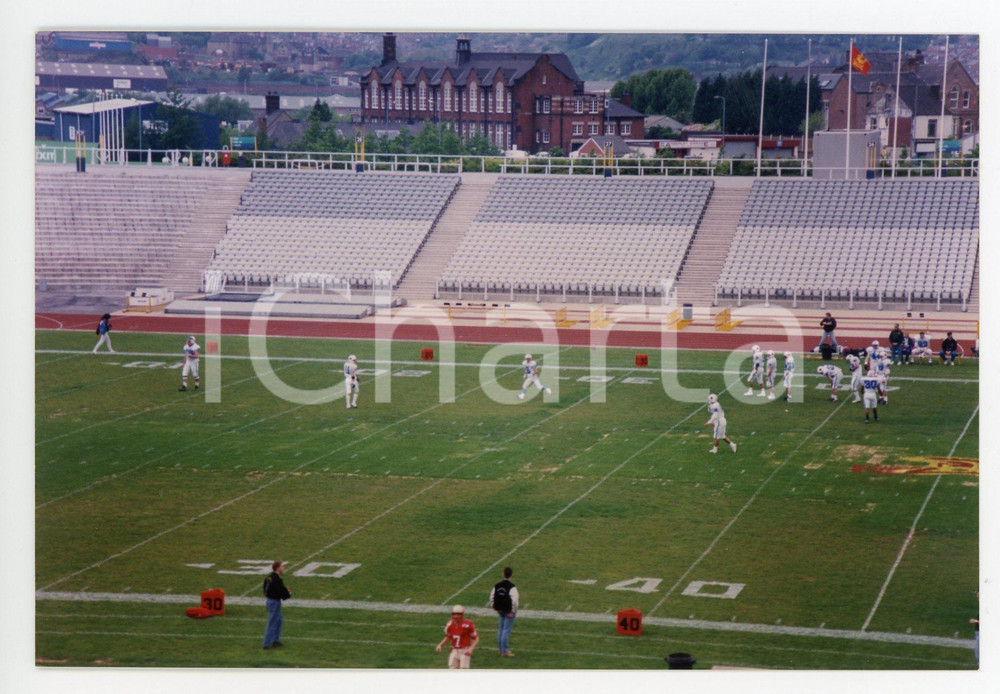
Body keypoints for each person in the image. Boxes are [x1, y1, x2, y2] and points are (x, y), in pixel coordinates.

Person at [436, 605, 479, 669]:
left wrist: (471, 649)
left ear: (462, 615)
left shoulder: (468, 624)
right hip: (454, 650)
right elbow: (448, 637)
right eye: (454, 614)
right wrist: (440, 645)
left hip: (464, 650)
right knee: (452, 669)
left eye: (458, 614)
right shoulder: (450, 624)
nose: (456, 616)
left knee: (463, 671)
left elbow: (476, 638)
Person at [489, 567, 519, 657]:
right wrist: (513, 611)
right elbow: (515, 601)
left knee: (501, 630)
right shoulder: (512, 587)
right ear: (511, 575)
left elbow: (491, 597)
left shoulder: (497, 585)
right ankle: (505, 651)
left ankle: (500, 649)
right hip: (508, 611)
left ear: (503, 574)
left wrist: (495, 608)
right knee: (506, 631)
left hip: (500, 610)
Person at [262, 560, 291, 650]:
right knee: (272, 623)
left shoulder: (269, 577)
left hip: (270, 601)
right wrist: (288, 593)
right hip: (274, 602)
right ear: (278, 568)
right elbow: (281, 591)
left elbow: (267, 589)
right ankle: (266, 644)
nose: (283, 568)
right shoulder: (277, 579)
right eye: (282, 566)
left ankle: (275, 640)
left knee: (279, 620)